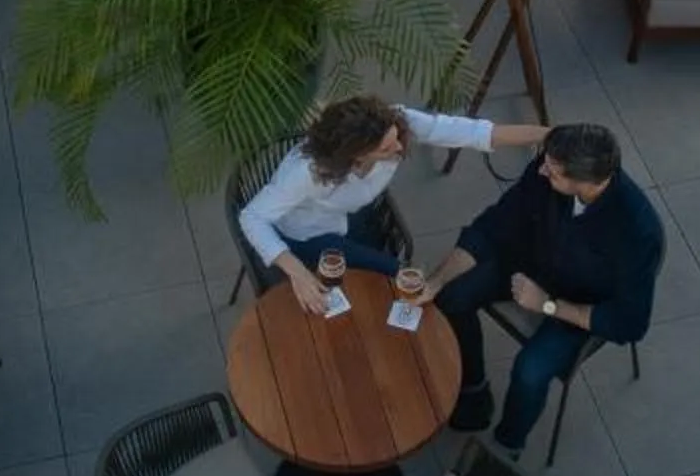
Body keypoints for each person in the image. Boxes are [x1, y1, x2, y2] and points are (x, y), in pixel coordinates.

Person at [422, 122, 661, 458]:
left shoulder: (637, 231)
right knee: (452, 296)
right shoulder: (546, 170)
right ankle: (474, 391)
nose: (542, 169)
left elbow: (630, 322)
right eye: (546, 162)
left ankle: (507, 444)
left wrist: (548, 305)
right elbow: (494, 225)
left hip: (578, 302)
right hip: (529, 261)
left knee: (530, 371)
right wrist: (436, 280)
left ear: (589, 182)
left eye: (554, 170)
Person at [235, 95, 550, 315]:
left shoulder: (397, 123)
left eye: (396, 137)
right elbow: (252, 217)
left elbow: (472, 133)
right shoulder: (307, 172)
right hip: (306, 235)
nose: (400, 147)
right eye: (387, 148)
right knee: (397, 279)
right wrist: (298, 274)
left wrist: (549, 135)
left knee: (391, 282)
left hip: (347, 215)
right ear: (356, 156)